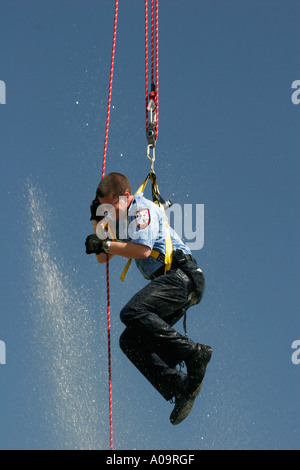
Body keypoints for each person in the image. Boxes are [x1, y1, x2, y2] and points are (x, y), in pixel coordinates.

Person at [85, 172, 212, 425]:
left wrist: (107, 245)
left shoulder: (141, 209)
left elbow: (142, 251)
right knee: (129, 340)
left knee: (130, 312)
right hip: (172, 284)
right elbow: (102, 257)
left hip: (183, 276)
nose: (110, 210)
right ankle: (180, 387)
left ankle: (194, 354)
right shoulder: (122, 223)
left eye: (112, 205)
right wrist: (98, 223)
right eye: (105, 207)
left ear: (127, 196)